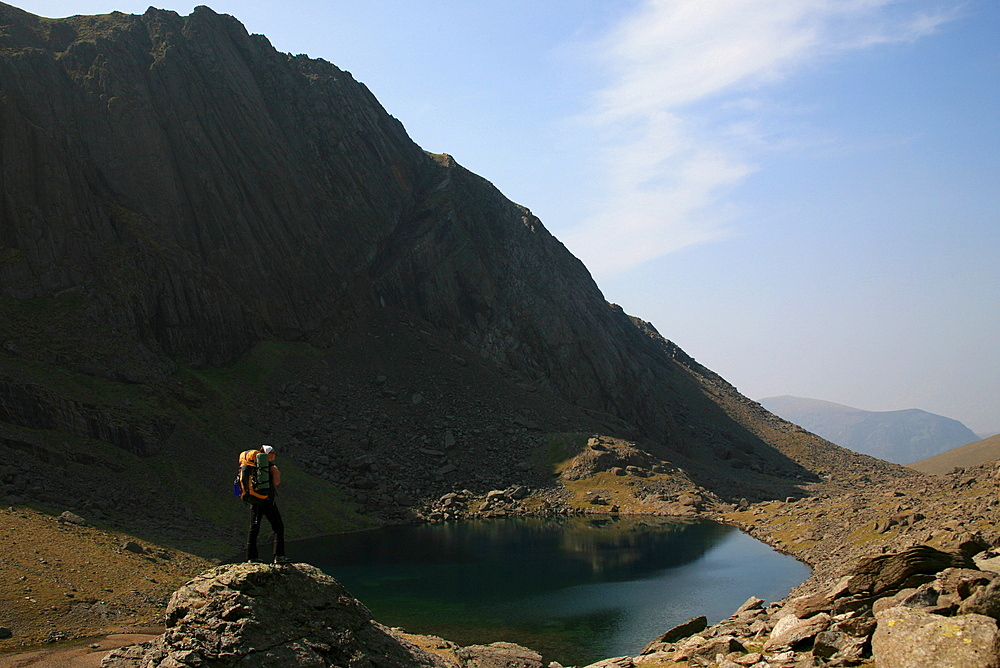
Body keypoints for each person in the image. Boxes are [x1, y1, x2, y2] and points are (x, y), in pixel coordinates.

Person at [241, 444, 287, 563]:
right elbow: (276, 482)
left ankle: (251, 557)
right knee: (278, 527)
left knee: (254, 528)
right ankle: (279, 556)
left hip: (255, 500)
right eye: (273, 453)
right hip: (267, 500)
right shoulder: (271, 467)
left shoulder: (253, 467)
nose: (275, 455)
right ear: (268, 454)